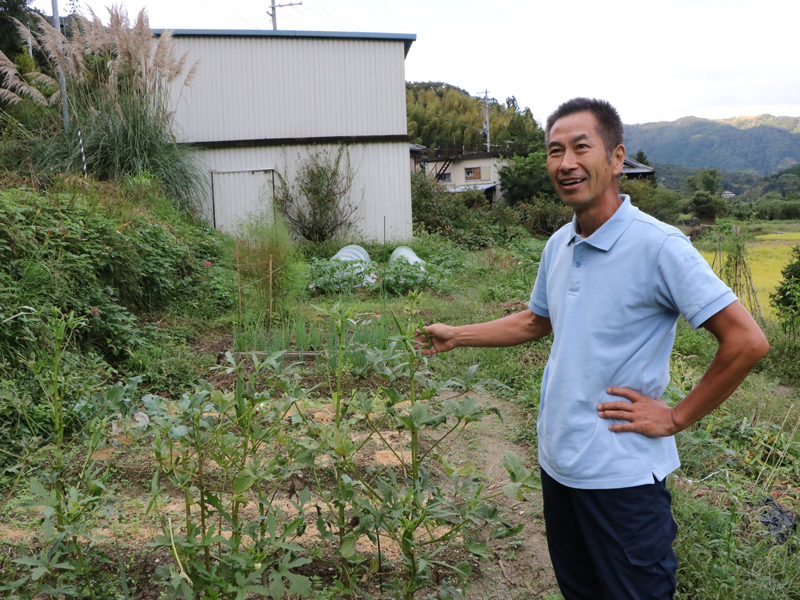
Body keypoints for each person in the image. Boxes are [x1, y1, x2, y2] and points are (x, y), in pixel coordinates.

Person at [416, 98, 769, 600]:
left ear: (617, 157)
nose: (566, 163)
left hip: (621, 480)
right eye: (555, 151)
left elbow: (746, 341)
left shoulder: (659, 245)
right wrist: (458, 335)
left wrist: (675, 418)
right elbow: (537, 320)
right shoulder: (560, 243)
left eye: (581, 147)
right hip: (561, 467)